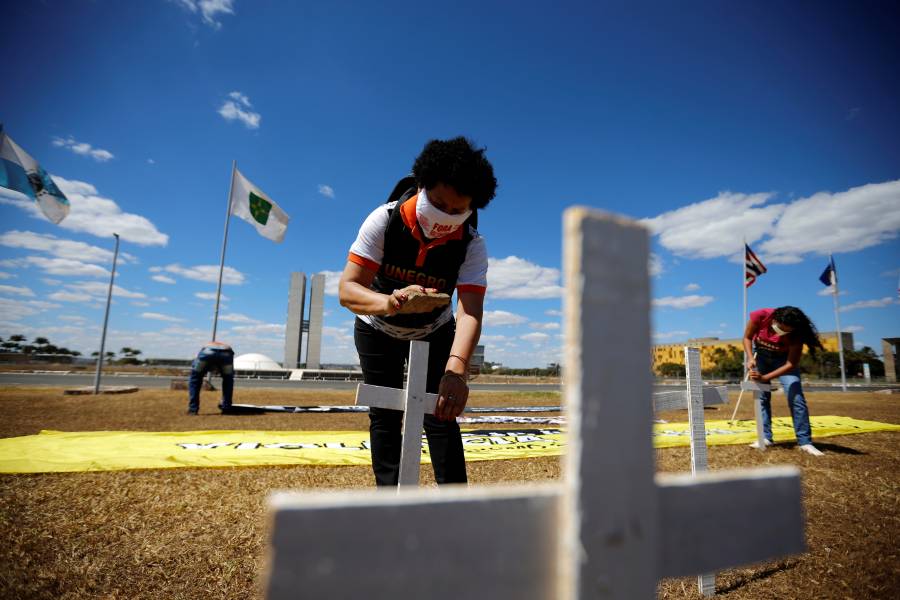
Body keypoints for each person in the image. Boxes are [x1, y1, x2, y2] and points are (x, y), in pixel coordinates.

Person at [338, 137, 496, 486]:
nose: (445, 217)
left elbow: (470, 312)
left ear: (472, 209)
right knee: (385, 413)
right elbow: (348, 290)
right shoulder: (384, 219)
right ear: (422, 187)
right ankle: (391, 503)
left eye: (457, 212)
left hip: (436, 329)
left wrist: (456, 371)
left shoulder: (472, 244)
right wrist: (391, 302)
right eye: (438, 204)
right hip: (376, 326)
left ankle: (455, 505)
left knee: (442, 412)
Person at [742, 306, 824, 456]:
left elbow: (791, 364)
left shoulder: (797, 333)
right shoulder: (761, 316)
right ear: (775, 319)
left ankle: (805, 441)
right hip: (761, 356)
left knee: (796, 396)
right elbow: (747, 337)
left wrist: (765, 378)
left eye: (786, 331)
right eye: (780, 328)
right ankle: (765, 437)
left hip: (783, 361)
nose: (782, 332)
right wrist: (750, 358)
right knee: (762, 397)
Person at [187, 341, 235, 415]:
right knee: (228, 380)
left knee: (195, 379)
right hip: (227, 352)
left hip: (207, 352)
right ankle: (226, 408)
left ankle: (193, 409)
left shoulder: (201, 353)